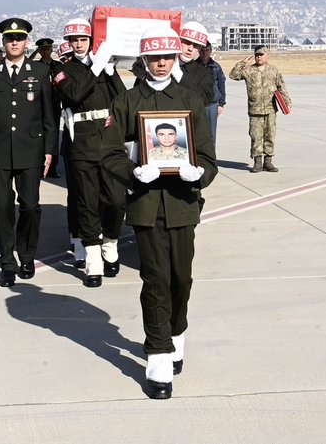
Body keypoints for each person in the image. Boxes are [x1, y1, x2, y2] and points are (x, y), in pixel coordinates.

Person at [100, 24, 217, 400]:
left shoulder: (190, 99)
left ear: (175, 58)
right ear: (144, 60)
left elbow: (208, 155)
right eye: (154, 58)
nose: (162, 63)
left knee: (181, 279)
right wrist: (132, 171)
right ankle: (158, 355)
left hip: (183, 203)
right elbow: (109, 151)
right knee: (155, 279)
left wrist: (199, 173)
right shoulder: (127, 102)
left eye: (167, 56)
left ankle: (176, 330)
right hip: (147, 205)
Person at [0, 17, 56, 287]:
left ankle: (27, 255)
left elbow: (48, 116)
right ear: (3, 42)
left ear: (26, 41)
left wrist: (49, 150)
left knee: (31, 206)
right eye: (9, 39)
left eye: (19, 38)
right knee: (3, 207)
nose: (14, 42)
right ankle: (7, 262)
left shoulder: (40, 73)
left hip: (31, 149)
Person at [51, 16, 127, 287]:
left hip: (108, 140)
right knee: (87, 201)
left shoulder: (102, 66)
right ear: (68, 43)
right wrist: (95, 69)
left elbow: (122, 98)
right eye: (74, 40)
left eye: (83, 39)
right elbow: (73, 95)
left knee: (116, 200)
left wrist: (109, 71)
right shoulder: (63, 70)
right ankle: (93, 257)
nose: (79, 44)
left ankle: (110, 241)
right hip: (81, 142)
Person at [229, 45, 292, 173]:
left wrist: (287, 103)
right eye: (257, 54)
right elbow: (233, 75)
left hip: (270, 109)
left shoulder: (273, 70)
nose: (259, 57)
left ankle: (268, 161)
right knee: (255, 136)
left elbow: (281, 87)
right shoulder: (248, 70)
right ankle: (257, 162)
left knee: (270, 135)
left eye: (261, 54)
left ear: (266, 56)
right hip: (255, 109)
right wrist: (242, 63)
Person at [31, 36, 62, 178]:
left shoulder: (58, 66)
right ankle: (39, 166)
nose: (45, 52)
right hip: (39, 106)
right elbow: (25, 63)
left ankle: (52, 167)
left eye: (47, 49)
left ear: (51, 50)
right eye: (42, 49)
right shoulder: (35, 66)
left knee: (53, 136)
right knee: (39, 136)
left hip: (54, 105)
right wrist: (34, 53)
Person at [177, 22, 215, 106]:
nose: (190, 49)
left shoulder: (204, 72)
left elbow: (206, 97)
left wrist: (180, 78)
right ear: (179, 41)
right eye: (187, 42)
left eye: (195, 46)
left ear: (199, 49)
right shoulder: (163, 65)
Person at [198, 43, 226, 145]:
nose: (204, 53)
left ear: (210, 51)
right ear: (199, 51)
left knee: (211, 135)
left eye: (207, 51)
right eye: (202, 50)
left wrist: (221, 104)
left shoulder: (216, 67)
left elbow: (221, 85)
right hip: (198, 105)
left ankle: (211, 158)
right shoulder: (194, 66)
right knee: (198, 134)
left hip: (212, 105)